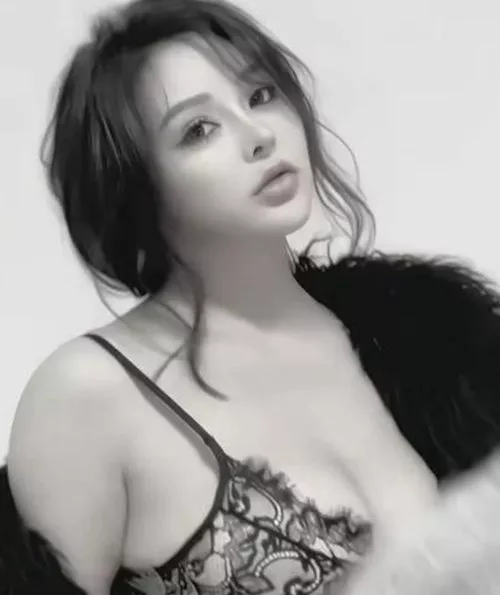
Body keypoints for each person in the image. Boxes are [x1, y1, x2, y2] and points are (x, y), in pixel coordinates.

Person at [1, 0, 500, 594]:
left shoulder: (425, 338)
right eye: (198, 130)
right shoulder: (89, 394)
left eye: (261, 95)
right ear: (133, 185)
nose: (260, 135)